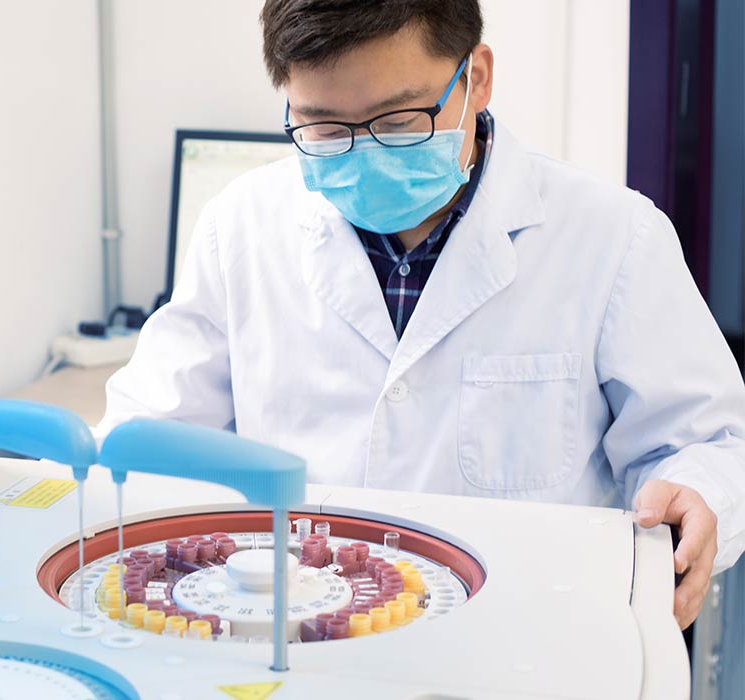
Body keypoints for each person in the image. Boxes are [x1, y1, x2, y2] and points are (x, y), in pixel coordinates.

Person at [98, 0, 745, 629]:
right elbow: (146, 435)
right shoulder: (238, 228)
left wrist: (698, 493)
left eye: (398, 121)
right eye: (324, 128)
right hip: (302, 648)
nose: (362, 154)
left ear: (478, 78)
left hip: (524, 646)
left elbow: (704, 443)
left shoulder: (613, 237)